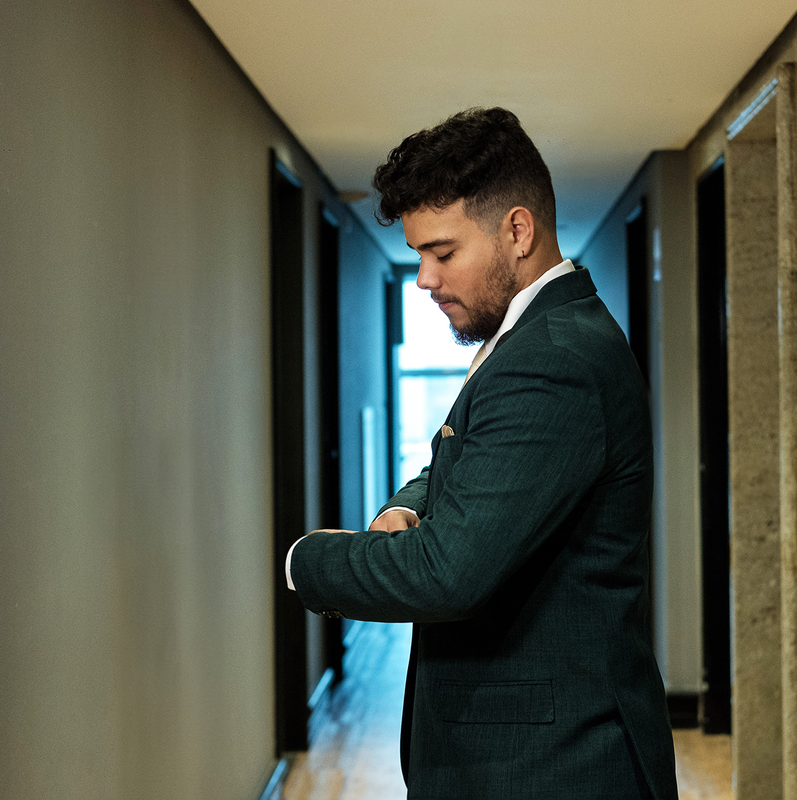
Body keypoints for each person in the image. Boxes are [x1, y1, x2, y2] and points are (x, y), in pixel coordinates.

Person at [287, 107, 678, 799]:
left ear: (517, 231)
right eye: (419, 256)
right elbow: (455, 461)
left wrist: (306, 561)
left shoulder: (552, 359)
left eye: (442, 253)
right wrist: (407, 509)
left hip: (552, 768)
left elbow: (448, 575)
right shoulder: (533, 339)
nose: (424, 279)